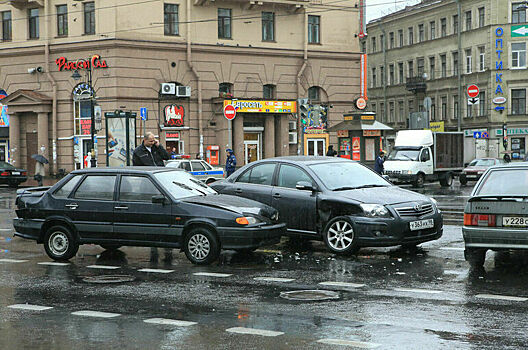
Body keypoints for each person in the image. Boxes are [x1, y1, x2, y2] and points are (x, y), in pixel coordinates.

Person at [132, 132, 171, 262]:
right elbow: (137, 167)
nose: (153, 142)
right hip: (148, 182)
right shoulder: (138, 151)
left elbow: (166, 157)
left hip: (162, 179)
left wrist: (159, 146)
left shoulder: (156, 148)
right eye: (151, 141)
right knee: (152, 205)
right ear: (144, 141)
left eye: (154, 140)